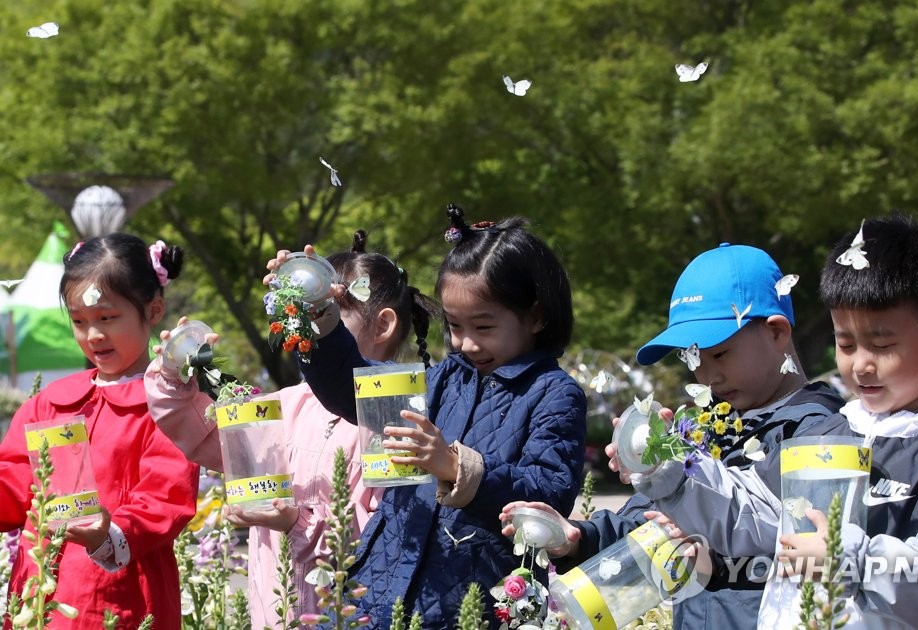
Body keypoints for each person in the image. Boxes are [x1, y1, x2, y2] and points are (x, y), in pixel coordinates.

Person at [501, 243, 845, 629]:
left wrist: (677, 472)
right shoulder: (704, 426)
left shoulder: (820, 433)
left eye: (720, 354)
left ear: (777, 332)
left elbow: (766, 532)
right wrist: (578, 537)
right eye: (694, 358)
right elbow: (647, 522)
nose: (707, 375)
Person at [283, 205, 587, 628]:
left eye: (483, 327)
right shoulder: (444, 378)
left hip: (476, 603)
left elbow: (550, 496)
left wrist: (457, 467)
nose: (464, 344)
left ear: (535, 315)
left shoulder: (555, 394)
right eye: (455, 326)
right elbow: (352, 390)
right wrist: (319, 318)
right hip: (382, 587)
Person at [145, 230, 438, 628]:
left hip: (348, 616)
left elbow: (387, 536)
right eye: (304, 312)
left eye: (327, 313)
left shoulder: (397, 413)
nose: (311, 327)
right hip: (275, 613)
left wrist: (297, 522)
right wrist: (173, 378)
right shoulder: (288, 405)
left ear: (383, 325)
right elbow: (206, 434)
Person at [729, 216, 918, 628]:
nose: (860, 365)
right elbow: (749, 506)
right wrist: (674, 477)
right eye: (846, 343)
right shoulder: (830, 432)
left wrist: (847, 559)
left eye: (882, 345)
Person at [0, 234, 199, 629]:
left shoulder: (168, 404)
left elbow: (165, 499)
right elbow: (15, 482)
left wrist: (107, 535)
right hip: (40, 598)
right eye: (79, 322)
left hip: (122, 598)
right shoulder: (50, 402)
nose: (93, 335)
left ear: (153, 309)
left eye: (107, 319)